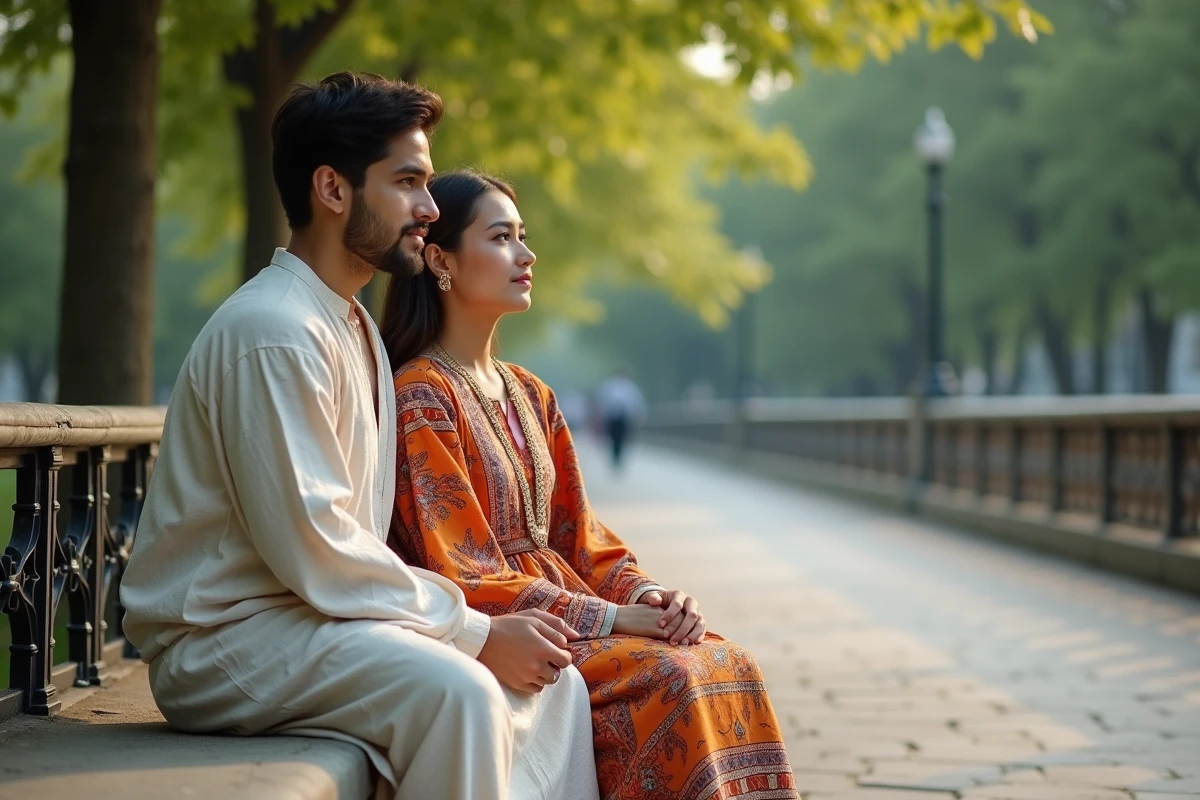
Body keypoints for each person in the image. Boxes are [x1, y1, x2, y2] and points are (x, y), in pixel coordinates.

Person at [120, 74, 598, 800]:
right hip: (224, 645)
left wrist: (473, 629)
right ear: (332, 190)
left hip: (315, 624)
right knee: (461, 693)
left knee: (556, 686)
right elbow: (320, 549)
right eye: (408, 182)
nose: (430, 209)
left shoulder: (350, 328)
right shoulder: (274, 333)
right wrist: (472, 633)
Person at [381, 170, 797, 800]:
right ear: (441, 259)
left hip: (581, 611)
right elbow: (462, 570)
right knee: (671, 678)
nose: (526, 254)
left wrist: (653, 598)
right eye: (501, 238)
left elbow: (584, 538)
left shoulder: (530, 393)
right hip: (523, 629)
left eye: (523, 236)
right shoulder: (421, 395)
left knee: (726, 660)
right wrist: (614, 619)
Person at [596, 367, 646, 471]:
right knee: (613, 437)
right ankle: (614, 456)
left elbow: (635, 402)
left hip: (624, 417)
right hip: (612, 416)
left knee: (622, 438)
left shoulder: (630, 387)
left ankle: (618, 457)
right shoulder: (610, 386)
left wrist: (637, 415)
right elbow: (603, 401)